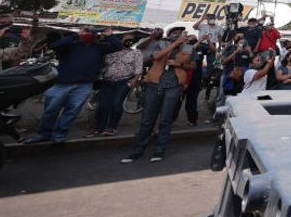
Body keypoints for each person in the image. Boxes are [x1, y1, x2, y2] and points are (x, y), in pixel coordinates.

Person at [24, 27, 121, 144]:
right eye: (88, 31)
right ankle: (43, 134)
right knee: (51, 110)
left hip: (84, 85)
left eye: (92, 32)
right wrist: (77, 35)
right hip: (62, 83)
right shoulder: (72, 44)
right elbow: (55, 45)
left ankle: (60, 134)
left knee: (72, 111)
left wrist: (109, 34)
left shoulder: (99, 47)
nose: (90, 34)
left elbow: (117, 47)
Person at [122, 26, 193, 163]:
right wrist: (175, 44)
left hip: (173, 85)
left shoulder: (188, 47)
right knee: (147, 119)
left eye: (180, 33)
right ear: (169, 34)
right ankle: (137, 151)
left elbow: (191, 65)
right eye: (174, 33)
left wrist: (178, 63)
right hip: (155, 83)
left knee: (166, 119)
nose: (177, 34)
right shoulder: (161, 44)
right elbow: (157, 56)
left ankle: (159, 150)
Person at [86, 33, 143, 137]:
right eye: (127, 38)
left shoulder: (136, 53)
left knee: (116, 104)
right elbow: (101, 64)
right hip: (107, 81)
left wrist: (133, 81)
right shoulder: (110, 52)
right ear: (119, 40)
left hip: (124, 81)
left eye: (131, 39)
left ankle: (112, 127)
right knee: (103, 105)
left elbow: (139, 67)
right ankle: (99, 128)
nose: (129, 41)